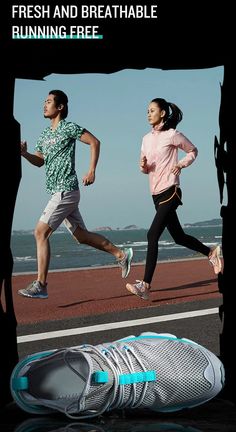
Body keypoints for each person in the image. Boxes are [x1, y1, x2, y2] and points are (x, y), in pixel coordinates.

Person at [18, 89, 133, 299]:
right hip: (57, 191)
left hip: (66, 189)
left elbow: (94, 142)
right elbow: (40, 161)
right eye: (44, 101)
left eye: (49, 102)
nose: (44, 105)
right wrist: (25, 154)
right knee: (81, 236)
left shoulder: (68, 127)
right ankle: (121, 254)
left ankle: (41, 284)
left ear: (60, 107)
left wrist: (91, 170)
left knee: (40, 232)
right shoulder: (44, 134)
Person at [126, 97, 222, 301]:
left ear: (162, 113)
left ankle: (145, 285)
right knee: (178, 237)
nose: (148, 113)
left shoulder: (172, 135)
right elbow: (146, 169)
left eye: (152, 110)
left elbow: (193, 151)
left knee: (152, 235)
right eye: (147, 110)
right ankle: (211, 252)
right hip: (155, 193)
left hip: (171, 190)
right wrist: (142, 165)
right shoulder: (145, 139)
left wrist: (181, 164)